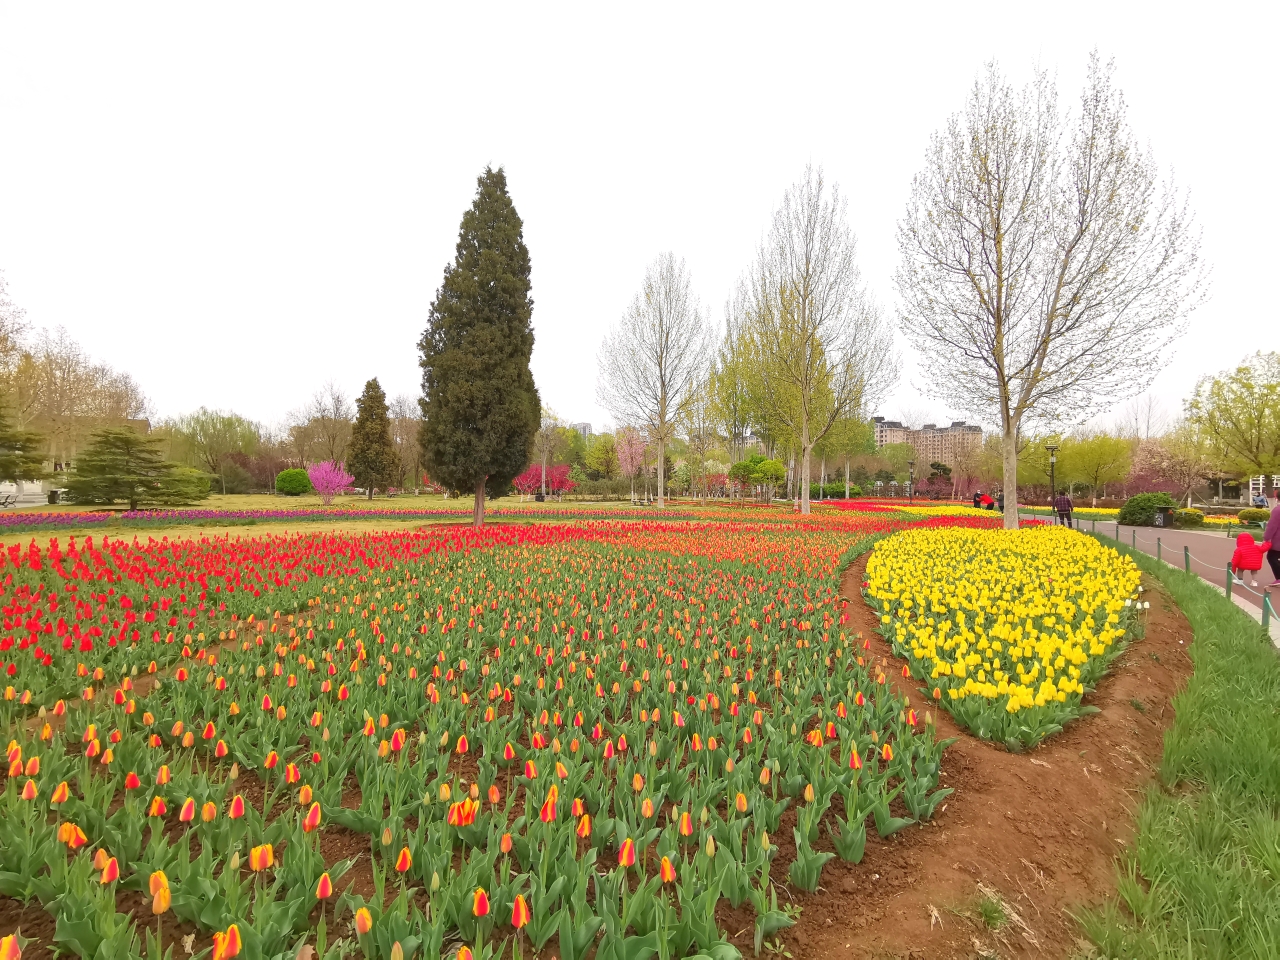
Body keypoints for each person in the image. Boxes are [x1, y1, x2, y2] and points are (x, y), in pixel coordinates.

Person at [1265, 489, 1280, 586]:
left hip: (1278, 540)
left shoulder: (1277, 510)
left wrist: (1267, 537)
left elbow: (1272, 526)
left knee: (1271, 557)